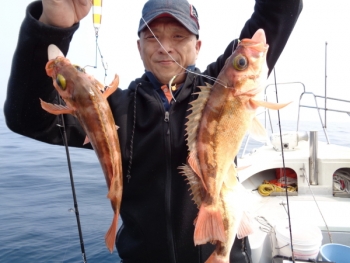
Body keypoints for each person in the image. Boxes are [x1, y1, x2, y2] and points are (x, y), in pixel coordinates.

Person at [4, 0, 303, 262]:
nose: (166, 47)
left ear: (197, 46)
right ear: (139, 46)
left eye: (178, 36)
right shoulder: (114, 109)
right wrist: (53, 26)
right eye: (153, 37)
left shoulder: (222, 87)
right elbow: (25, 117)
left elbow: (279, 10)